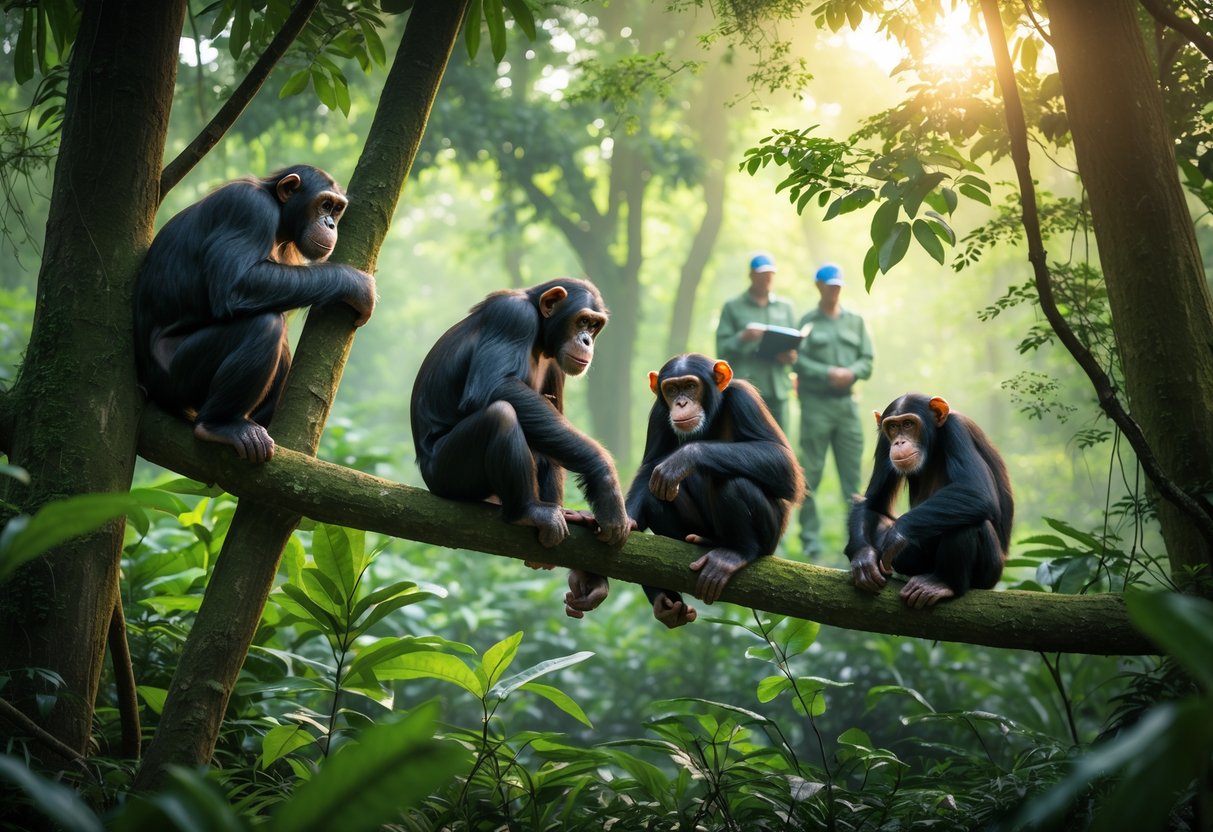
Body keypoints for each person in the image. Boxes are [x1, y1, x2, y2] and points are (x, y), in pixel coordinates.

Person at [794, 263, 874, 559]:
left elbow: (867, 360)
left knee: (853, 478)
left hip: (847, 407)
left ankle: (858, 539)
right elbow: (796, 359)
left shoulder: (856, 321)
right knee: (810, 473)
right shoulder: (807, 321)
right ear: (819, 287)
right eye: (830, 286)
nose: (834, 291)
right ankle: (810, 541)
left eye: (838, 286)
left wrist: (851, 372)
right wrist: (827, 372)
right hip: (816, 406)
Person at [715, 253, 798, 428]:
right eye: (761, 274)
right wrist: (742, 337)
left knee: (781, 447)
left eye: (769, 274)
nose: (766, 278)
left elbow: (795, 346)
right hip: (747, 389)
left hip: (778, 389)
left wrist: (791, 356)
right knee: (745, 444)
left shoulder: (785, 307)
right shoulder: (733, 307)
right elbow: (722, 348)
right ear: (752, 275)